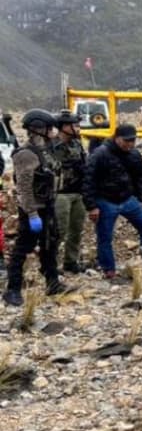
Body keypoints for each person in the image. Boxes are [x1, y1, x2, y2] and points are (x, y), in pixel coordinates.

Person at [3, 110, 69, 306]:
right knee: (23, 248)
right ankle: (13, 289)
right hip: (33, 209)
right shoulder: (26, 155)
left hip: (47, 206)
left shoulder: (44, 150)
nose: (53, 131)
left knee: (50, 244)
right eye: (49, 128)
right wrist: (31, 214)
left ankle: (52, 283)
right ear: (39, 129)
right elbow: (23, 188)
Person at [84, 124, 142, 280]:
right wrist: (92, 206)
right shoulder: (100, 154)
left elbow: (140, 176)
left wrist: (140, 197)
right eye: (126, 141)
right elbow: (88, 180)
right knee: (105, 237)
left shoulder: (134, 154)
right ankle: (109, 270)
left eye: (133, 141)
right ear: (117, 138)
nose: (130, 144)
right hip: (106, 201)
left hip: (128, 199)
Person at [51, 109, 88, 274]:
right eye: (74, 125)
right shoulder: (51, 145)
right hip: (61, 193)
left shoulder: (77, 144)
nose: (77, 128)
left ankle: (71, 261)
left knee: (76, 229)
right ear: (64, 127)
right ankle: (50, 263)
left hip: (78, 192)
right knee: (59, 230)